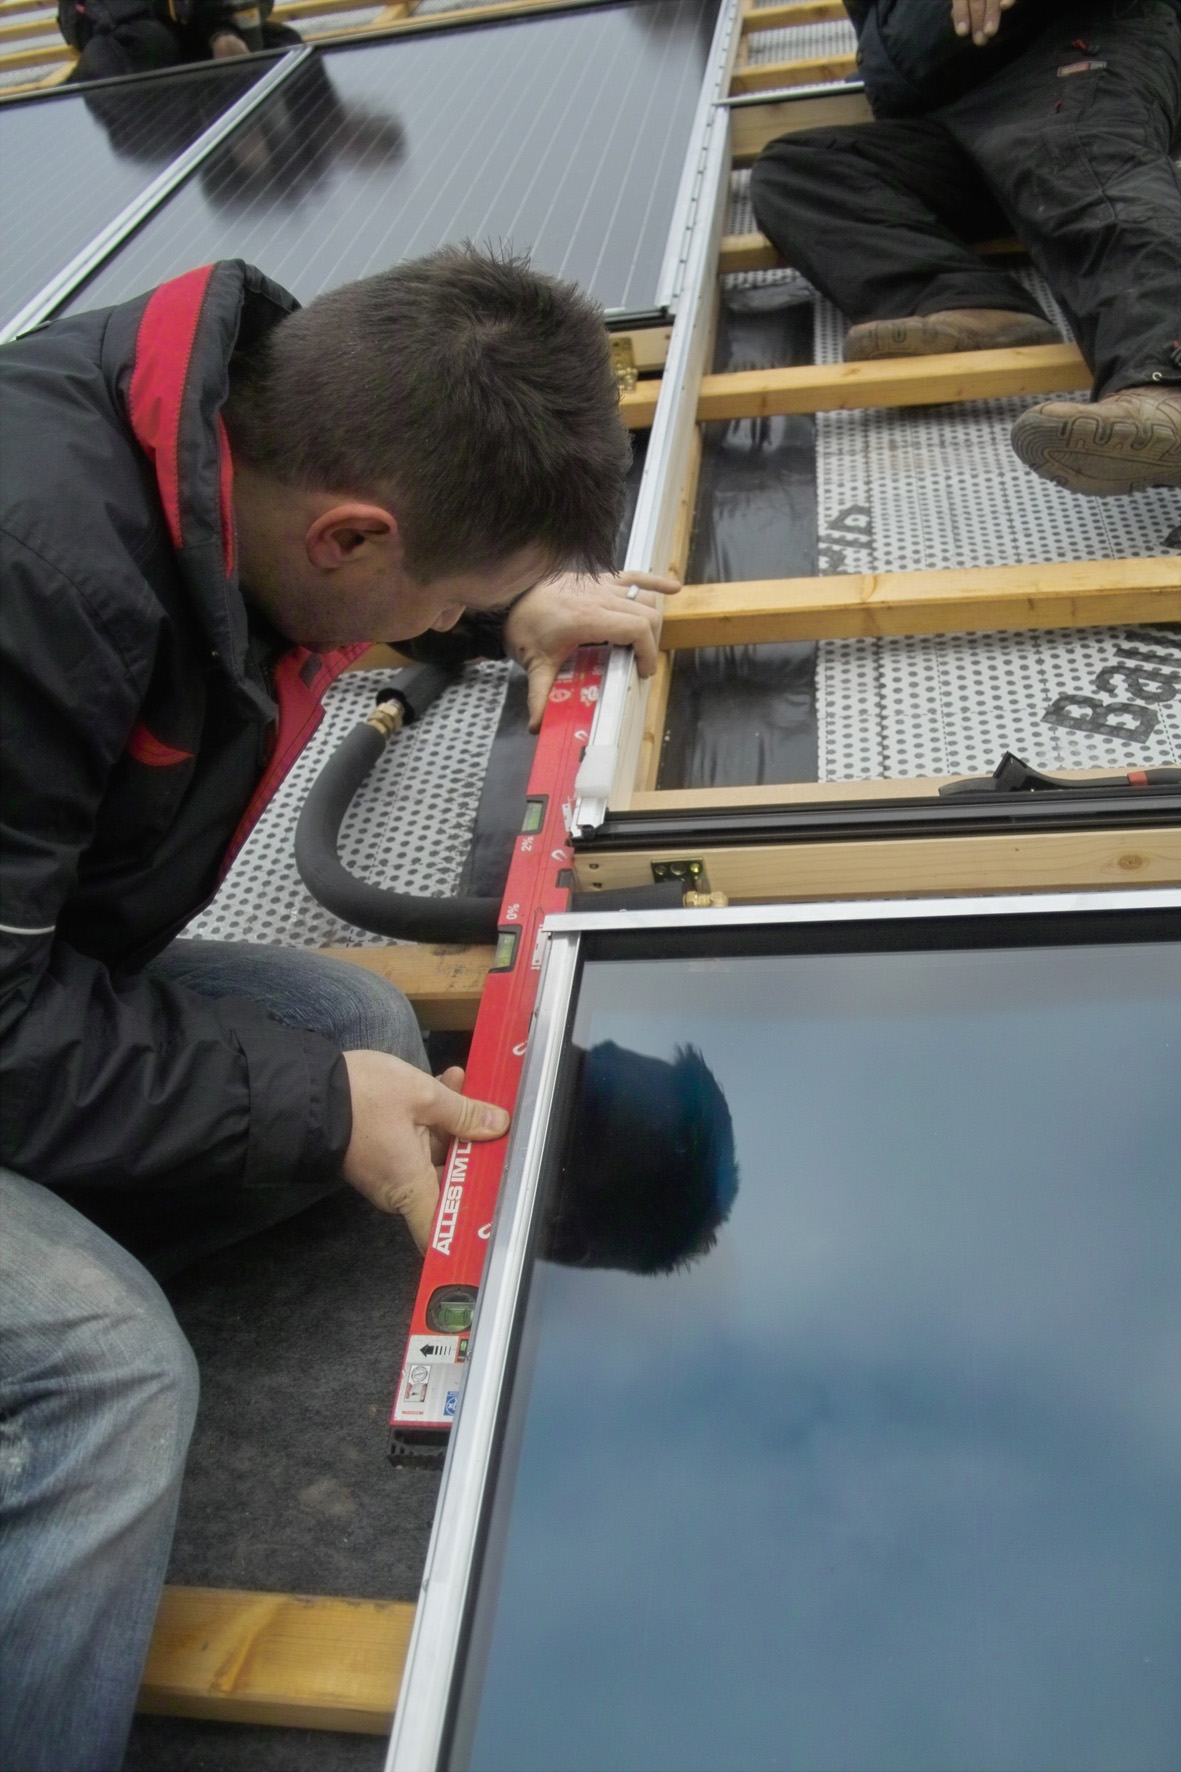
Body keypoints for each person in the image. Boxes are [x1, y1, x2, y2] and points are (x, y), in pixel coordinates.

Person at [0, 246, 676, 1771]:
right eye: (442, 593)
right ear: (352, 532)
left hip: (29, 971)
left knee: (350, 1032)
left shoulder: (236, 428)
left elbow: (327, 579)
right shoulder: (34, 579)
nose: (439, 620)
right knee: (105, 1369)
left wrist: (496, 613)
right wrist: (307, 1112)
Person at [750, 0, 1181, 496]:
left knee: (1076, 154)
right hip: (954, 116)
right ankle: (967, 303)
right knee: (799, 171)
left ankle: (1166, 377)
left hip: (1063, 56)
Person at [59, 0, 301, 83]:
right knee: (148, 43)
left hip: (186, 25)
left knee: (283, 45)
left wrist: (223, 30)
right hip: (126, 37)